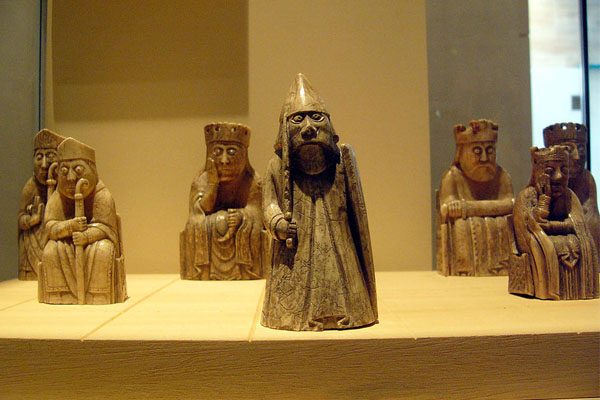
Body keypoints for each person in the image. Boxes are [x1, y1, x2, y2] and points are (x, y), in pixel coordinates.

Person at [261, 73, 378, 331]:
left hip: (340, 246)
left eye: (315, 117)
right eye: (298, 119)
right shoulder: (276, 168)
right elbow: (269, 205)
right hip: (294, 254)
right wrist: (278, 222)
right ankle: (298, 316)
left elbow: (357, 216)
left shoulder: (342, 164)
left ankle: (346, 312)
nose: (308, 128)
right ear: (284, 129)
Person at [39, 137, 127, 304]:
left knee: (103, 249)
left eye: (78, 170)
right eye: (64, 171)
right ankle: (60, 294)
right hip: (67, 242)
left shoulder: (102, 195)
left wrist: (86, 236)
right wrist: (69, 226)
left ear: (91, 170)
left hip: (93, 242)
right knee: (50, 250)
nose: (71, 177)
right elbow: (50, 227)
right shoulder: (58, 197)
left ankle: (98, 294)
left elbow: (106, 228)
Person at [510, 146, 598, 300]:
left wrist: (552, 227)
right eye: (550, 171)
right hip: (539, 244)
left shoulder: (570, 196)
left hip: (558, 238)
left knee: (584, 244)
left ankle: (584, 288)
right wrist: (545, 198)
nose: (558, 176)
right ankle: (548, 289)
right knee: (546, 245)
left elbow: (579, 224)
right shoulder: (526, 197)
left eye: (564, 170)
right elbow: (529, 232)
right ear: (538, 173)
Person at [180, 122, 264, 280]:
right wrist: (213, 184)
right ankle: (204, 272)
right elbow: (197, 214)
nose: (224, 160)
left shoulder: (253, 181)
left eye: (231, 152)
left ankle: (244, 271)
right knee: (199, 225)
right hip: (211, 233)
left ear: (244, 154)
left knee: (232, 223)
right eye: (217, 152)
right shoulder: (201, 180)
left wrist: (242, 216)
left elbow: (258, 215)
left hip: (237, 231)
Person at [437, 119, 515, 276]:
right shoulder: (452, 177)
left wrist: (468, 208)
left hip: (493, 227)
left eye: (490, 151)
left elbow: (512, 205)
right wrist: (454, 206)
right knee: (461, 225)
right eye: (477, 151)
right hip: (466, 233)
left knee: (503, 223)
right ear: (462, 153)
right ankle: (464, 269)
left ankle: (500, 267)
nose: (484, 158)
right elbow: (446, 207)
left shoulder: (502, 176)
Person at [543, 122, 600, 251]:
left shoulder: (587, 179)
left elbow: (592, 220)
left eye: (581, 148)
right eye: (569, 149)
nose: (577, 156)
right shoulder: (544, 180)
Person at [18, 129, 64, 280]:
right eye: (39, 157)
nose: (44, 164)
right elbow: (20, 218)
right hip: (33, 245)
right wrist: (32, 220)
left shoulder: (64, 186)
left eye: (50, 156)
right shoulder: (30, 187)